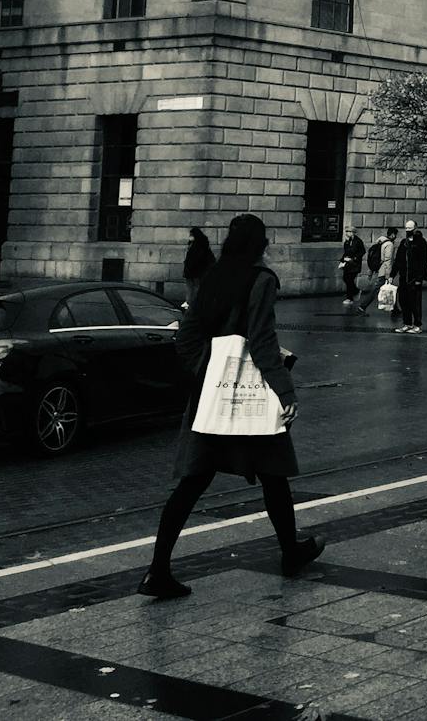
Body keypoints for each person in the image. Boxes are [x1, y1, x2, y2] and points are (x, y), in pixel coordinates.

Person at [138, 213, 323, 598]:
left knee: (191, 483)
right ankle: (291, 552)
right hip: (250, 396)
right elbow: (261, 341)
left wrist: (207, 368)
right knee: (274, 475)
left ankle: (157, 570)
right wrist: (286, 393)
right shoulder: (262, 280)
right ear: (261, 244)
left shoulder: (212, 279)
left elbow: (186, 339)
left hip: (211, 398)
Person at [393, 220, 427, 334]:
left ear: (415, 228)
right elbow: (398, 260)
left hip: (414, 278)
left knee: (415, 302)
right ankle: (407, 323)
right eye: (406, 228)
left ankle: (417, 324)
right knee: (404, 301)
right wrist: (392, 275)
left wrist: (419, 278)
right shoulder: (403, 242)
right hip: (404, 277)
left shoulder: (421, 242)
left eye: (410, 228)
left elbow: (423, 261)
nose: (408, 230)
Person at [352, 227, 397, 314]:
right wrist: (388, 274)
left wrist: (371, 271)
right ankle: (362, 307)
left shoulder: (379, 241)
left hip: (378, 269)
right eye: (395, 235)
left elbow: (373, 257)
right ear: (393, 234)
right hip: (384, 271)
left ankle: (396, 309)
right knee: (375, 290)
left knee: (390, 288)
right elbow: (387, 260)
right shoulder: (389, 244)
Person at [182, 228, 216, 303]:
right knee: (193, 288)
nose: (190, 236)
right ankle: (191, 303)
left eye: (191, 235)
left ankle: (191, 304)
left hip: (194, 271)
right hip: (195, 271)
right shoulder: (200, 245)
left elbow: (195, 259)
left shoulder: (197, 246)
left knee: (192, 289)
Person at [338, 226, 365, 305]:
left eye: (348, 231)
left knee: (349, 279)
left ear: (353, 233)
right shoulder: (347, 241)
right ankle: (355, 291)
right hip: (348, 264)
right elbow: (346, 252)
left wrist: (354, 258)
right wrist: (343, 259)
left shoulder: (358, 241)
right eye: (346, 231)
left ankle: (350, 298)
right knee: (346, 278)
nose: (346, 233)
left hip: (354, 265)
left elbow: (362, 251)